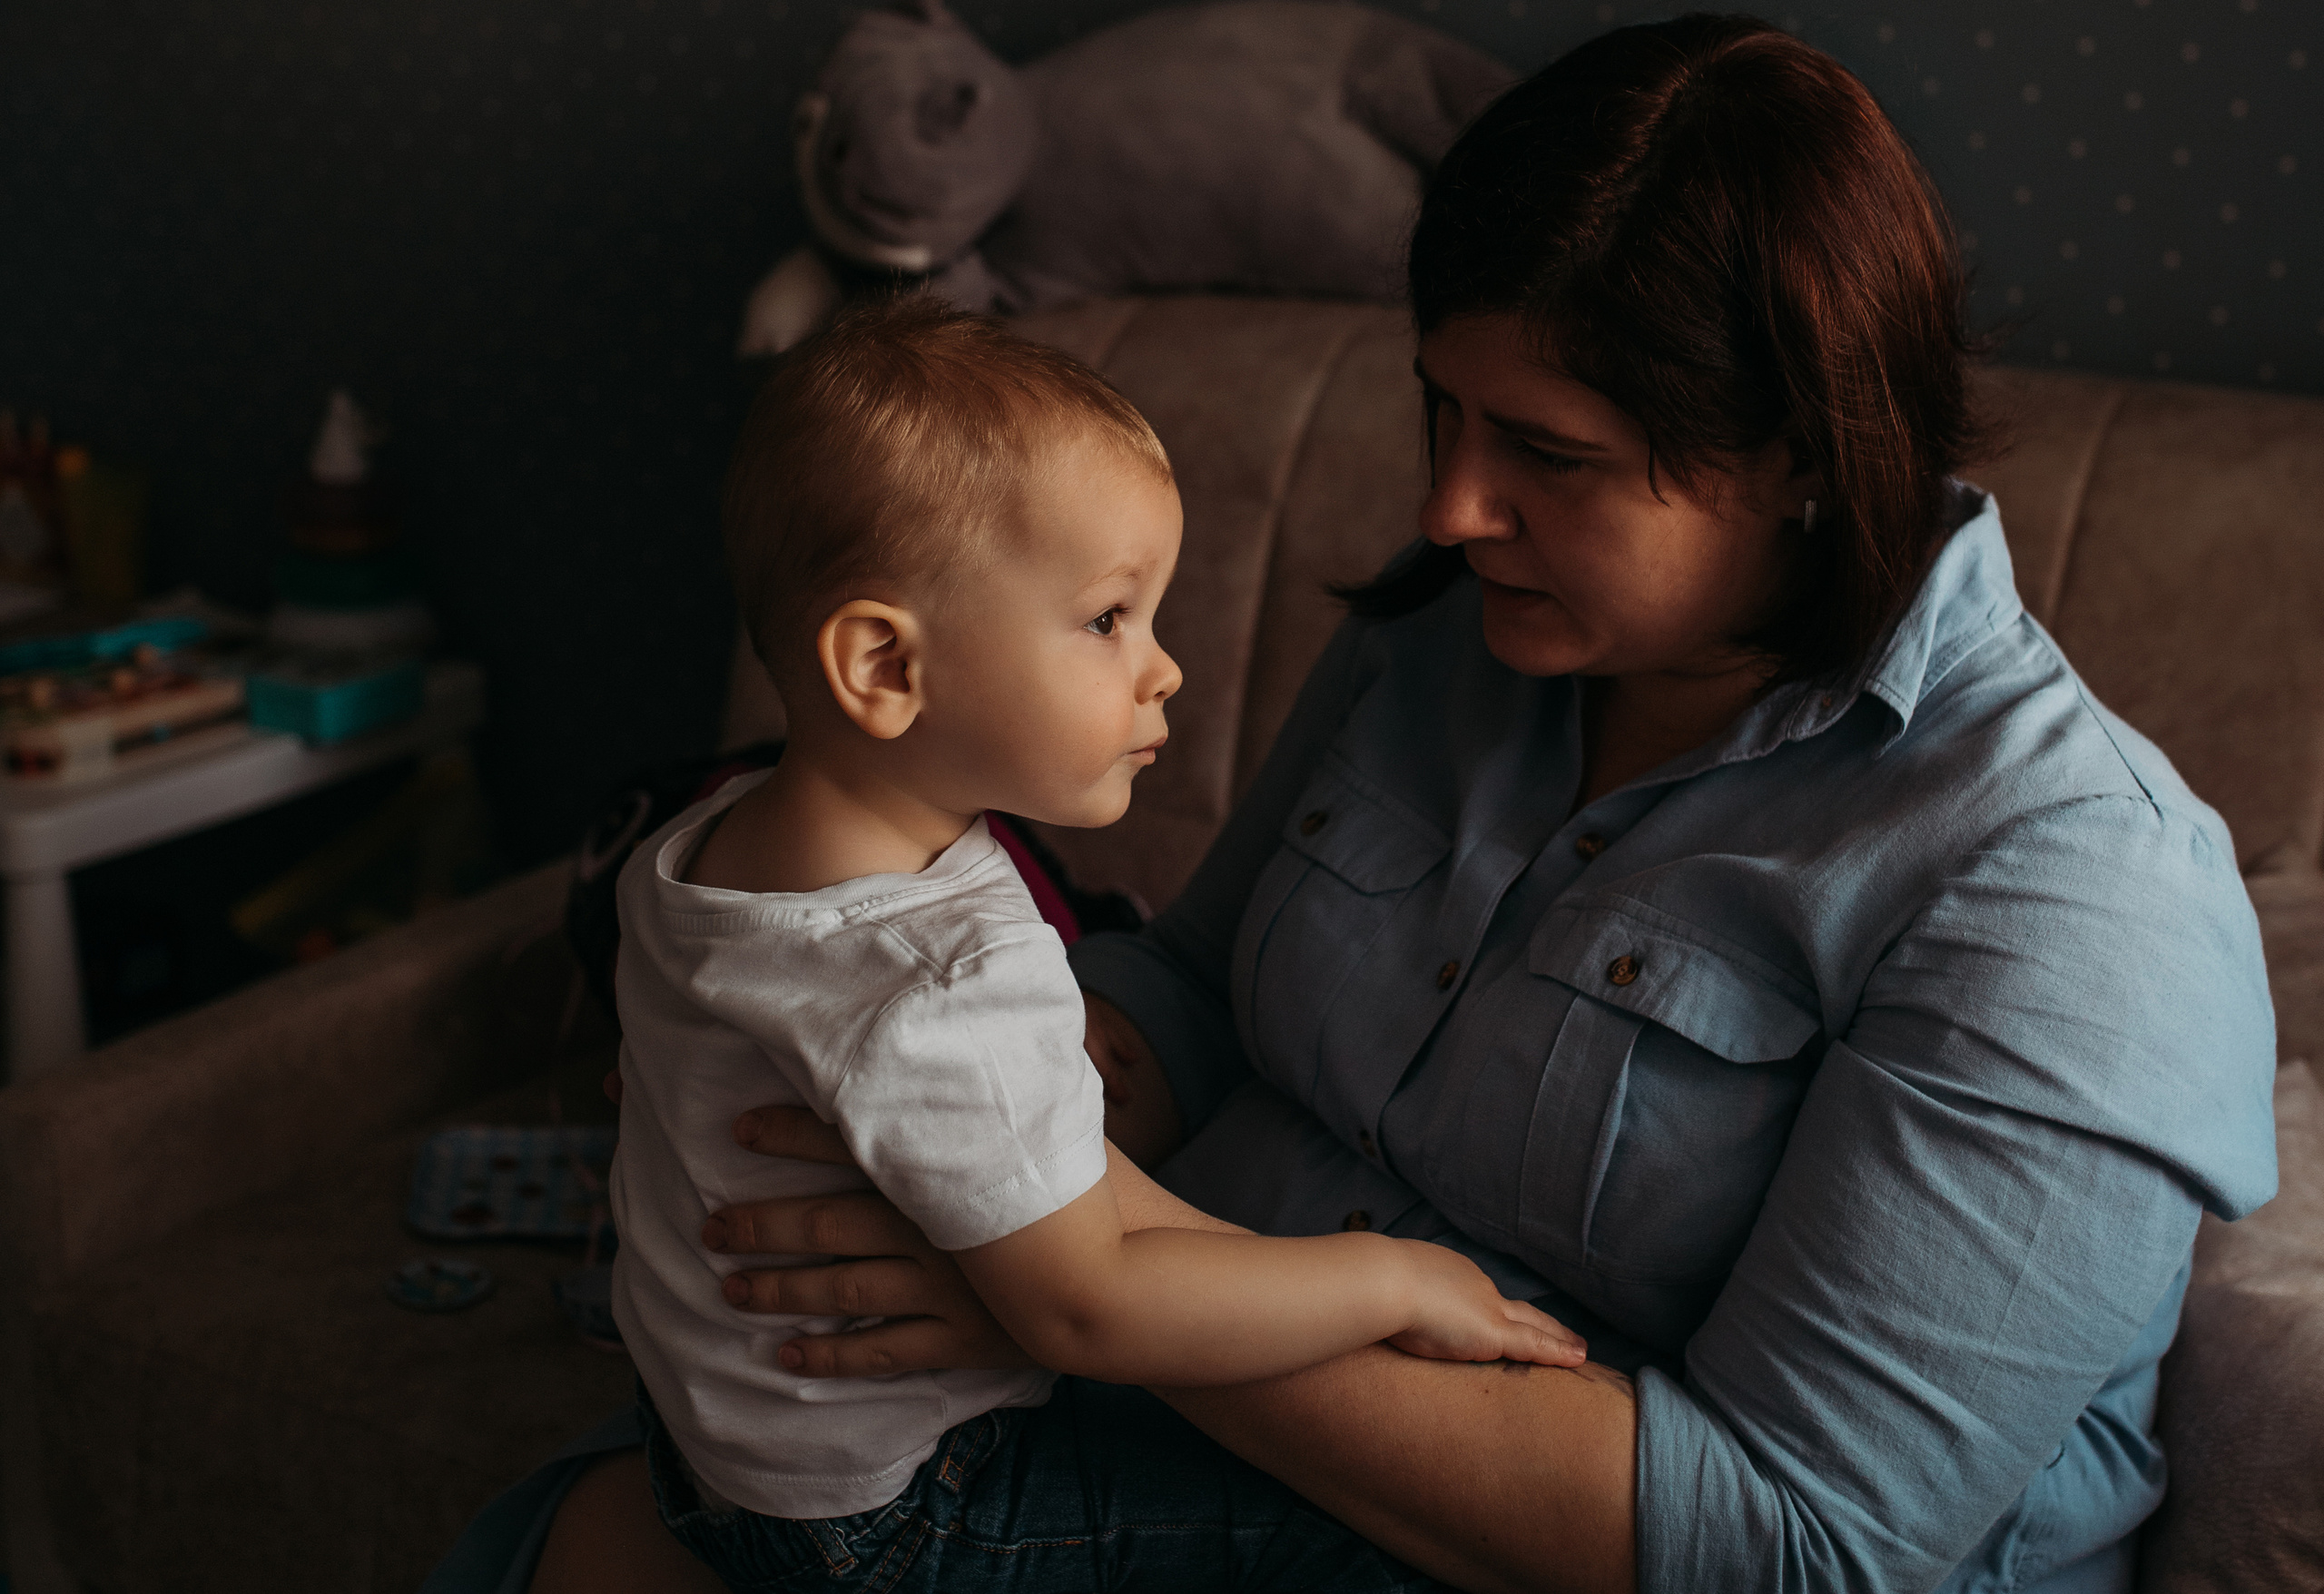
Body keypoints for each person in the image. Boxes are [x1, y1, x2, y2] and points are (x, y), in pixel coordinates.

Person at [428, 15, 2277, 1594]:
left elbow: (1784, 1541)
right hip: (1175, 1354)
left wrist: (1055, 1278)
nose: (1454, 509)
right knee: (596, 1529)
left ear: (1796, 451)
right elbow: (1211, 986)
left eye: (1544, 455)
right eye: (1439, 414)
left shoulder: (2064, 891)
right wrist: (882, 1084)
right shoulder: (1462, 640)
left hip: (1511, 1515)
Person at [605, 297, 1582, 1590]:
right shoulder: (948, 975)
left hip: (714, 1453)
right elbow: (1087, 1307)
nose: (1163, 669)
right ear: (884, 667)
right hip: (903, 1517)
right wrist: (1391, 1279)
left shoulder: (707, 851)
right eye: (1109, 619)